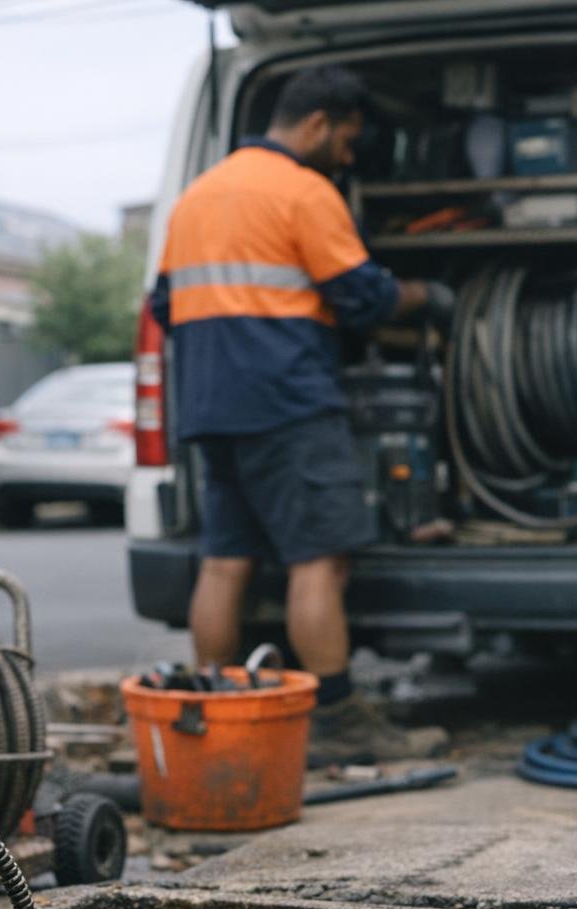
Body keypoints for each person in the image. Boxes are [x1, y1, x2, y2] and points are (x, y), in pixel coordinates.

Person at [150, 65, 451, 765]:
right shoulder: (305, 191)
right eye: (346, 140)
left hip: (209, 406)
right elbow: (362, 297)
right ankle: (340, 719)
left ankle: (215, 710)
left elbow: (165, 306)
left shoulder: (199, 195)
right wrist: (426, 297)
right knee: (321, 564)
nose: (348, 156)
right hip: (286, 403)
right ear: (317, 125)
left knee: (224, 564)